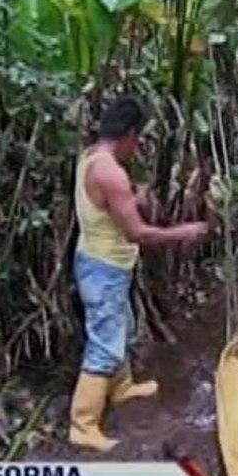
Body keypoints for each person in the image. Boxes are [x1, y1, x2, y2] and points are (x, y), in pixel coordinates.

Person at [70, 95, 209, 452]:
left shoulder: (92, 157)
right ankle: (82, 424)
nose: (138, 146)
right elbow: (138, 233)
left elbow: (105, 200)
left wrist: (132, 194)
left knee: (120, 328)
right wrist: (185, 232)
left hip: (104, 263)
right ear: (129, 134)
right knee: (104, 342)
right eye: (138, 138)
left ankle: (121, 387)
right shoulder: (111, 172)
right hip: (103, 269)